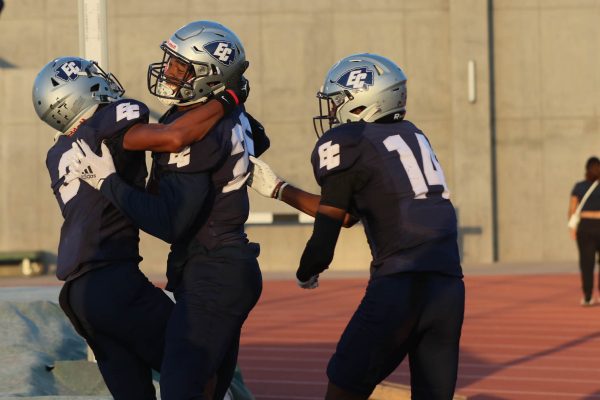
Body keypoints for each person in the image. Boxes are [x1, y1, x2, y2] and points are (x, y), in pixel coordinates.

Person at [69, 21, 268, 400]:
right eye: (171, 61)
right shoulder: (227, 115)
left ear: (209, 77)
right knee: (205, 389)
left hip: (213, 271)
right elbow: (260, 138)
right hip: (225, 267)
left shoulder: (193, 128)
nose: (169, 71)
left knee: (182, 389)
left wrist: (108, 183)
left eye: (182, 66)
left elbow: (171, 222)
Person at [248, 53, 465, 399]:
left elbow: (331, 226)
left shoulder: (347, 141)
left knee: (344, 383)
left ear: (363, 102)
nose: (332, 112)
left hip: (399, 283)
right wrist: (280, 189)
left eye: (338, 101)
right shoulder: (413, 134)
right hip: (449, 286)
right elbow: (348, 214)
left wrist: (309, 267)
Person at [33, 56, 247, 399]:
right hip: (114, 284)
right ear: (81, 91)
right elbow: (174, 137)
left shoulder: (58, 153)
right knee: (199, 369)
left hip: (77, 296)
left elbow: (129, 199)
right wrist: (228, 100)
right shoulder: (110, 121)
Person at [569, 156, 600, 306]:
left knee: (586, 263)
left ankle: (588, 296)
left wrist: (572, 228)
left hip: (585, 226)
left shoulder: (579, 186)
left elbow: (572, 209)